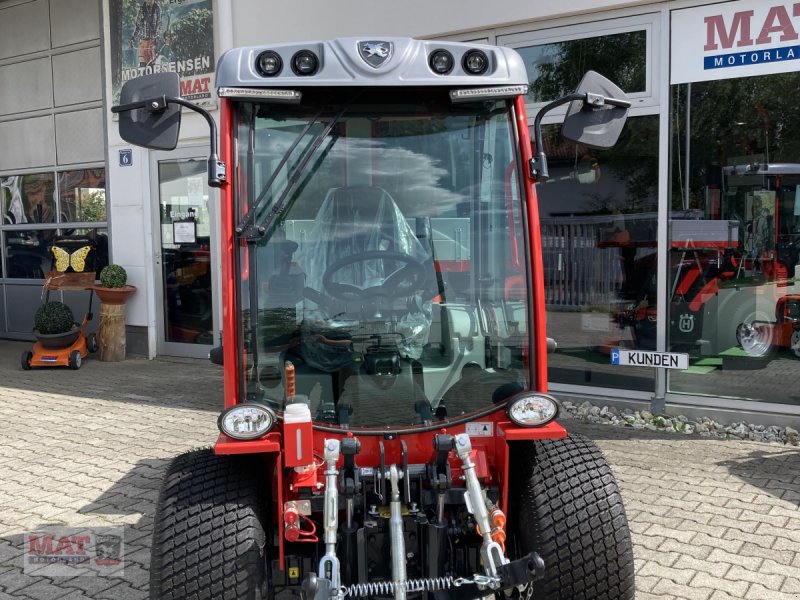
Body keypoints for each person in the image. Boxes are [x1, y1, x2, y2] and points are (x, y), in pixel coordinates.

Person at [129, 0, 162, 67]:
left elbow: (159, 25)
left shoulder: (157, 8)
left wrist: (157, 38)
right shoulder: (142, 9)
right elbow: (138, 26)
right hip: (143, 42)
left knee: (151, 66)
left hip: (152, 42)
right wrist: (133, 38)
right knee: (142, 66)